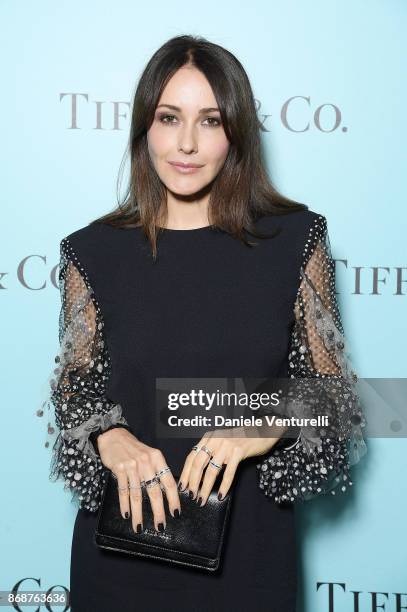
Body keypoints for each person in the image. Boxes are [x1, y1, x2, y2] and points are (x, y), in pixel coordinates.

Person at [38, 34, 367, 612]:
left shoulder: (294, 240)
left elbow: (337, 400)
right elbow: (74, 391)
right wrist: (108, 436)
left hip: (249, 560)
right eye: (170, 117)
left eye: (210, 121)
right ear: (145, 126)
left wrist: (258, 424)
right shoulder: (92, 251)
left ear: (235, 133)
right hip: (119, 560)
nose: (186, 143)